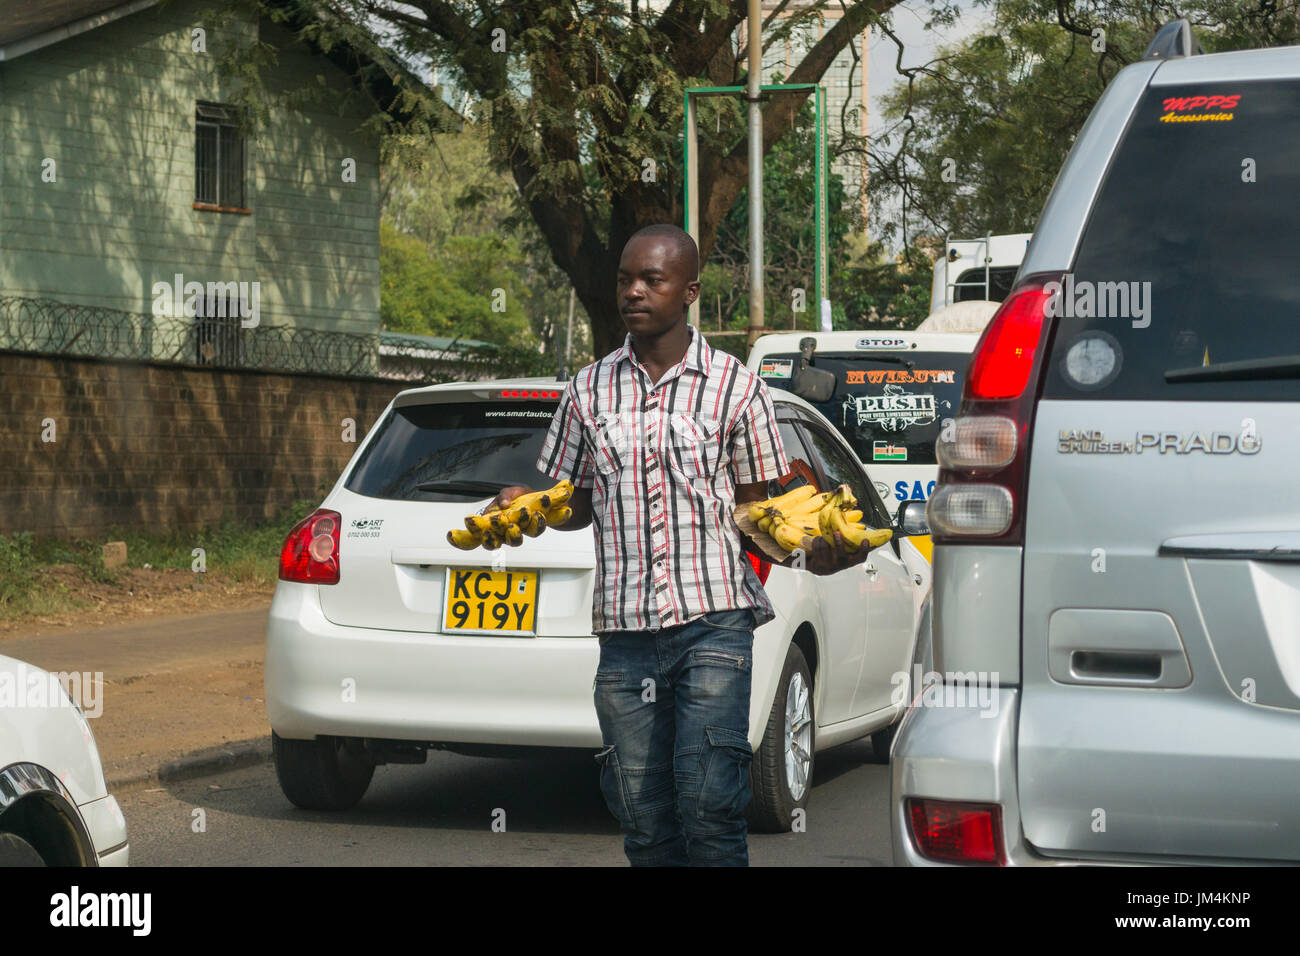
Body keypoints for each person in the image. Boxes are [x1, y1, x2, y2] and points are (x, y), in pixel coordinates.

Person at [490, 223, 859, 866]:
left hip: (715, 621)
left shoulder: (736, 388)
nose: (634, 291)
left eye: (651, 280)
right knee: (640, 807)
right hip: (625, 628)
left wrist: (815, 549)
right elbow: (576, 502)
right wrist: (529, 507)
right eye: (625, 279)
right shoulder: (587, 389)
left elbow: (759, 510)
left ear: (688, 290)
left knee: (710, 802)